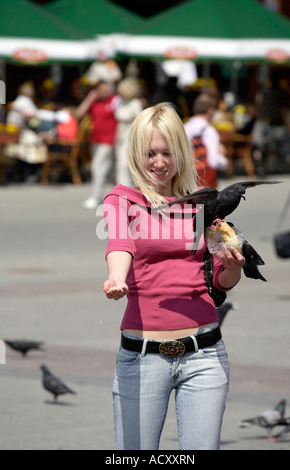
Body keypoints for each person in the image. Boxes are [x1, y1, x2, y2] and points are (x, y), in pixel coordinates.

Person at [102, 102, 245, 450]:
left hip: (205, 354)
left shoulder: (198, 203)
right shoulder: (122, 200)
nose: (159, 162)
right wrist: (117, 277)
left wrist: (234, 267)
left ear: (181, 152)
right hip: (142, 357)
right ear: (135, 153)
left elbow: (218, 282)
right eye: (150, 153)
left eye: (167, 152)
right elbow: (120, 242)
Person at [76, 80, 120, 209]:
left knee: (97, 166)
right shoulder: (94, 102)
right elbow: (79, 114)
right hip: (96, 140)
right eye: (103, 89)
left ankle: (95, 197)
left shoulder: (114, 101)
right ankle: (125, 191)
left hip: (109, 140)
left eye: (107, 89)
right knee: (108, 169)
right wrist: (89, 98)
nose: (105, 92)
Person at [184, 93, 228, 188]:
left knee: (188, 204)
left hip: (186, 182)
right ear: (210, 111)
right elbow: (213, 161)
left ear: (194, 109)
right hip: (204, 184)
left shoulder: (183, 128)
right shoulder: (209, 131)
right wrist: (223, 158)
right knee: (201, 204)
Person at [114, 78, 143, 187]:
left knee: (125, 164)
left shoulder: (135, 103)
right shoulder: (122, 102)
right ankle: (121, 189)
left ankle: (126, 189)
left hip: (130, 137)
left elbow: (139, 121)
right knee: (120, 165)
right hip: (120, 135)